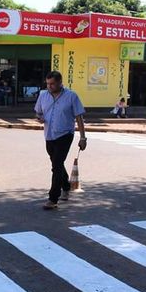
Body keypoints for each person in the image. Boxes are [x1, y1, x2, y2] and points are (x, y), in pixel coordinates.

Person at [34, 71, 87, 210]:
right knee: (56, 163)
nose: (49, 86)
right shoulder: (43, 96)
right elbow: (38, 112)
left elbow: (79, 118)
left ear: (59, 83)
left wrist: (83, 137)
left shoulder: (71, 96)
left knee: (56, 165)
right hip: (49, 135)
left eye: (52, 84)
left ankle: (53, 198)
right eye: (47, 84)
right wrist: (39, 118)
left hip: (65, 135)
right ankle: (66, 186)